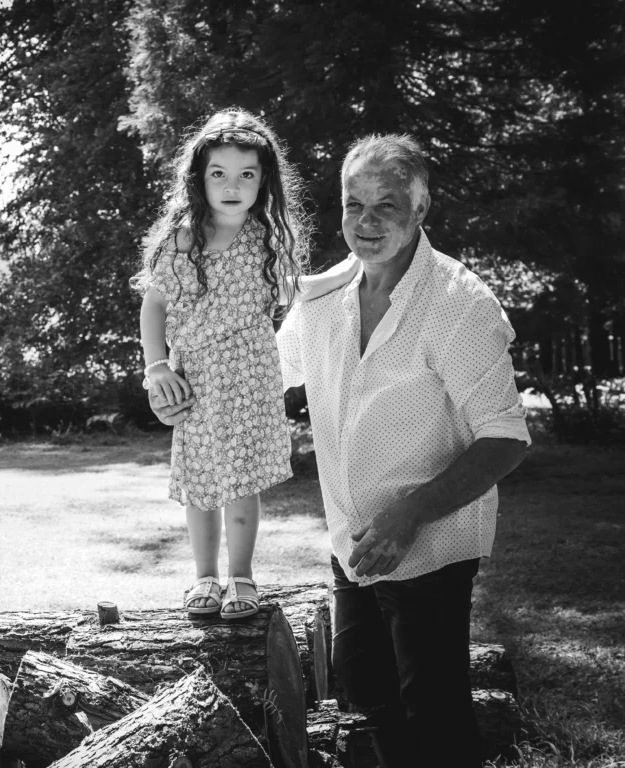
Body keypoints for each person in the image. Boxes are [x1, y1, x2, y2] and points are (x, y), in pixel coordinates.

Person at [152, 133, 531, 767]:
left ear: (421, 208)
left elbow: (506, 437)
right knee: (367, 694)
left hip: (431, 548)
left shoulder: (461, 306)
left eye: (387, 206)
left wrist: (410, 514)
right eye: (355, 205)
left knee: (434, 710)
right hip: (353, 547)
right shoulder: (322, 298)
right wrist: (174, 386)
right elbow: (262, 371)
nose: (367, 222)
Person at [133, 108, 357, 619]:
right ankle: (204, 579)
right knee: (202, 485)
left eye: (246, 175)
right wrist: (156, 367)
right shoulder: (183, 240)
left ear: (263, 181)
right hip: (197, 380)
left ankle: (242, 578)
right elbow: (154, 303)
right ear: (200, 179)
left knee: (242, 483)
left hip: (253, 378)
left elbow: (294, 291)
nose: (232, 186)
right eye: (219, 174)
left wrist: (347, 271)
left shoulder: (265, 240)